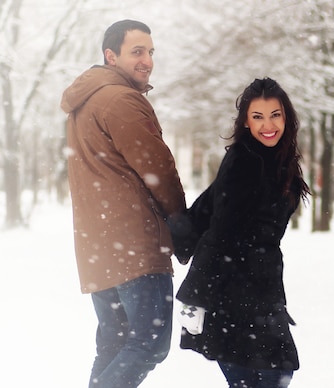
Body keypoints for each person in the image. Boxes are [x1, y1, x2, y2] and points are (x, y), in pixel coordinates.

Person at [60, 20, 189, 387]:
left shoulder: (85, 102)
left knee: (114, 346)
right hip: (133, 244)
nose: (147, 60)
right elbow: (157, 168)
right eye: (137, 51)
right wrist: (180, 220)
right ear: (110, 55)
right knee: (149, 344)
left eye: (150, 52)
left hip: (99, 247)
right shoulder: (121, 99)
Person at [175, 77, 310, 388]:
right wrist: (195, 298)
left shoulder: (279, 160)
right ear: (246, 122)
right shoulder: (243, 160)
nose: (268, 125)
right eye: (257, 117)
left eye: (275, 115)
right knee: (272, 378)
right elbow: (220, 230)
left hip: (262, 289)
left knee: (271, 378)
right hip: (234, 292)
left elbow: (207, 206)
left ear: (286, 116)